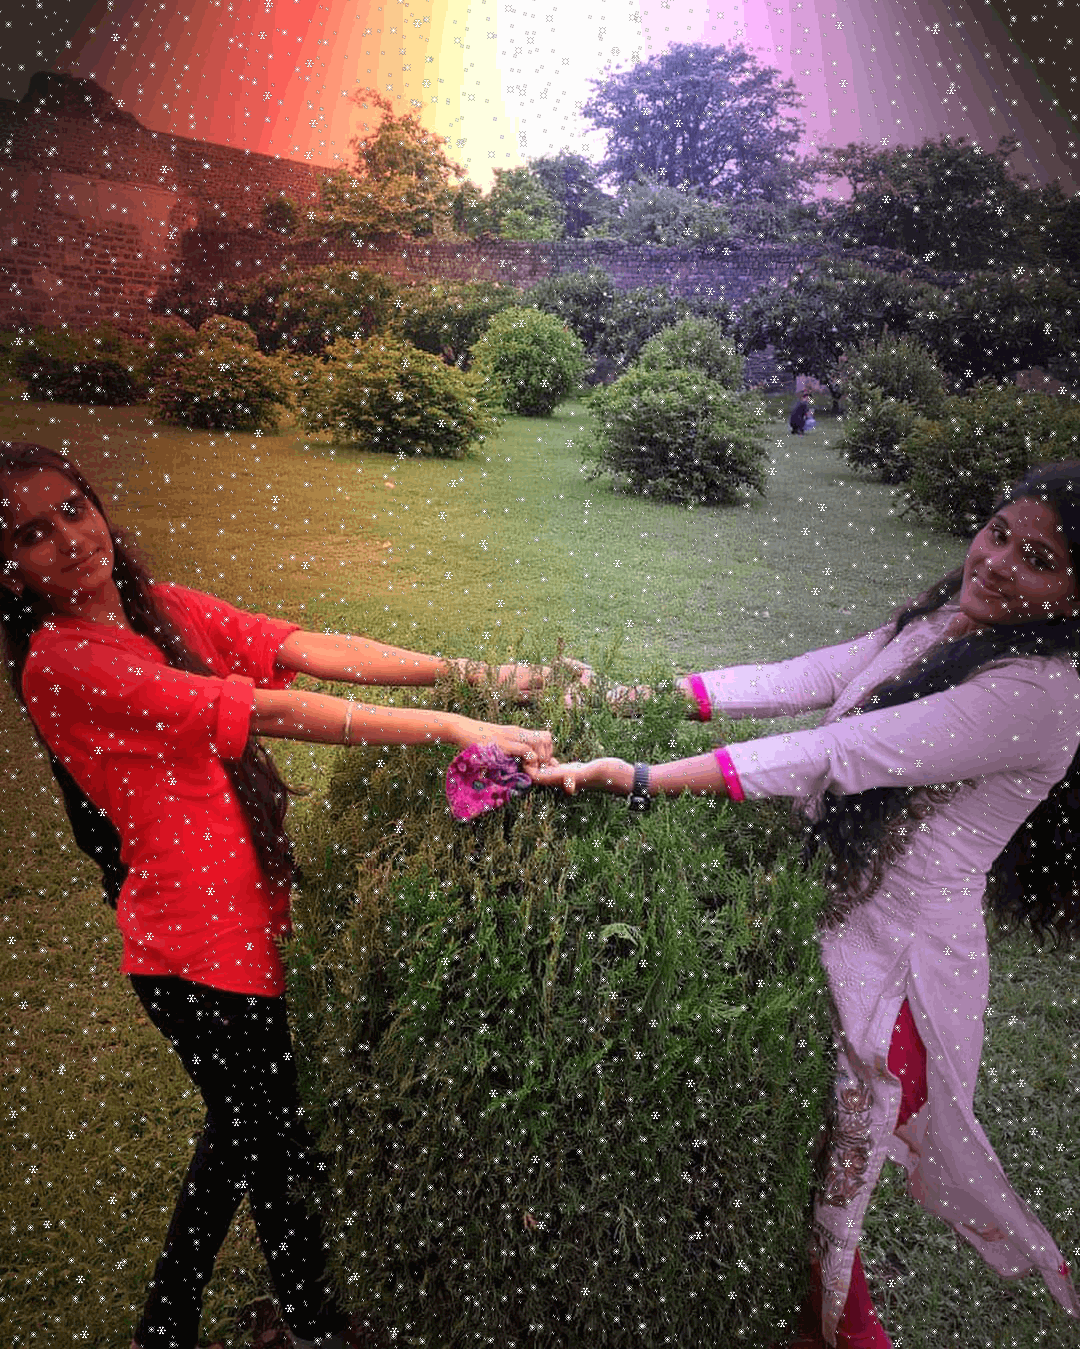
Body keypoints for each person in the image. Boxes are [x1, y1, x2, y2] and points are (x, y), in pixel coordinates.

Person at [0, 440, 556, 1349]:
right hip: (196, 955)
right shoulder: (60, 664)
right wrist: (454, 725)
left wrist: (478, 676)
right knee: (275, 1145)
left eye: (72, 508)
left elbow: (309, 650)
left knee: (248, 1132)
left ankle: (173, 1326)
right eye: (30, 533)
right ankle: (307, 1324)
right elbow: (273, 709)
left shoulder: (163, 609)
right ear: (9, 572)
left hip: (247, 928)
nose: (67, 538)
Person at [532, 461, 1080, 1349]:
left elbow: (843, 752)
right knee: (785, 1198)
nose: (997, 561)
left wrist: (640, 778)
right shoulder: (945, 623)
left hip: (892, 987)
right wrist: (639, 698)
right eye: (999, 532)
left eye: (1040, 559)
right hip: (830, 931)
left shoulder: (1042, 694)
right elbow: (814, 674)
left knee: (818, 1220)